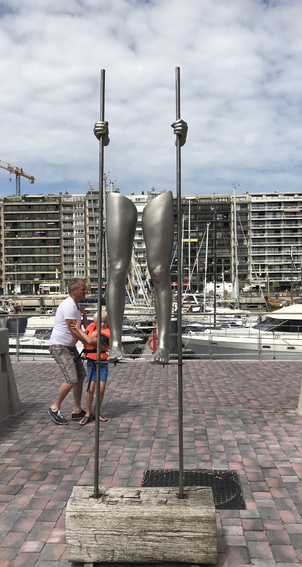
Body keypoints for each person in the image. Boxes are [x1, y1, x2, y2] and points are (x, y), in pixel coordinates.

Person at [93, 118, 187, 365]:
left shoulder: (160, 103)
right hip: (116, 194)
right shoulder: (120, 103)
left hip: (161, 193)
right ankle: (115, 343)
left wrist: (181, 139)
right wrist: (102, 140)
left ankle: (163, 344)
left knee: (159, 271)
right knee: (117, 269)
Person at [47, 278, 88, 425]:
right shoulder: (69, 305)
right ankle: (54, 408)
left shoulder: (76, 306)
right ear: (73, 291)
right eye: (83, 289)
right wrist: (89, 342)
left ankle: (77, 410)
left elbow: (80, 328)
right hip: (60, 346)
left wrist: (84, 315)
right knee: (71, 378)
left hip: (70, 347)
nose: (85, 292)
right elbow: (74, 331)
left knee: (80, 376)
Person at [70, 309, 110, 426]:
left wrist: (78, 330)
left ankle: (96, 412)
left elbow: (90, 340)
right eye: (100, 322)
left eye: (105, 322)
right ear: (96, 322)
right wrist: (83, 314)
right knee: (91, 389)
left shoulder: (104, 335)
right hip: (92, 362)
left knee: (101, 389)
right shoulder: (93, 327)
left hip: (102, 362)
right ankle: (88, 414)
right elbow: (88, 327)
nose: (103, 324)